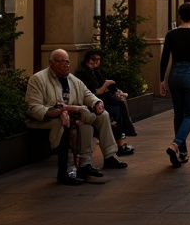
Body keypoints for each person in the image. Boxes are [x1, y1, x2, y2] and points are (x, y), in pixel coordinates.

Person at [26, 48, 128, 184]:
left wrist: (97, 103)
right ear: (50, 63)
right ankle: (69, 170)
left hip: (73, 114)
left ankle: (102, 159)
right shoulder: (38, 79)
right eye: (60, 61)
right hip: (49, 118)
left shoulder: (72, 79)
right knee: (71, 124)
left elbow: (87, 94)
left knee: (103, 115)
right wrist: (58, 112)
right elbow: (34, 108)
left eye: (67, 61)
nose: (65, 64)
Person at [159, 1, 190, 168]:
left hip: (175, 74)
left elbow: (165, 58)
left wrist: (161, 80)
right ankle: (176, 144)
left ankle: (183, 152)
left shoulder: (171, 35)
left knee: (178, 114)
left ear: (179, 16)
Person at [75, 50, 135, 153]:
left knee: (117, 110)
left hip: (101, 100)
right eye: (95, 59)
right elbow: (95, 92)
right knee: (119, 104)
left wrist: (115, 90)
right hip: (93, 102)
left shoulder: (94, 71)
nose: (97, 62)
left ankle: (120, 141)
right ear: (89, 60)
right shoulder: (83, 73)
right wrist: (106, 85)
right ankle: (127, 130)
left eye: (99, 59)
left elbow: (102, 83)